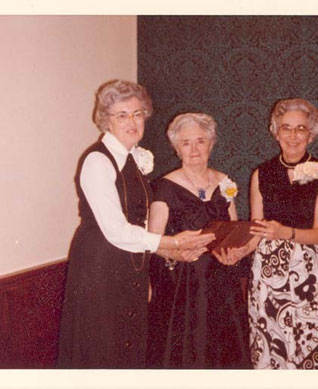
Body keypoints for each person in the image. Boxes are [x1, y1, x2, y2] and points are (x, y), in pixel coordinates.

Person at [56, 80, 214, 369]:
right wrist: (174, 242)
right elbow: (116, 230)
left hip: (130, 264)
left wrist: (168, 256)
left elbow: (138, 223)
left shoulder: (132, 159)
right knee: (103, 347)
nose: (132, 121)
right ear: (106, 120)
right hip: (100, 266)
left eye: (138, 113)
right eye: (122, 115)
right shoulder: (97, 161)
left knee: (127, 344)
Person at [147, 112, 252, 369]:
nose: (194, 149)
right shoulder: (164, 187)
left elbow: (233, 230)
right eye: (186, 143)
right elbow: (152, 242)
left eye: (200, 141)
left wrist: (235, 253)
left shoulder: (224, 182)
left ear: (211, 143)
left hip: (221, 283)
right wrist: (176, 252)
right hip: (181, 285)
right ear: (176, 147)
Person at [244, 98, 318, 369]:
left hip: (310, 273)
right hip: (268, 274)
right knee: (270, 345)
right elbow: (257, 229)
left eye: (300, 129)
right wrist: (240, 250)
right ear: (275, 132)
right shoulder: (261, 173)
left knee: (307, 348)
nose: (293, 135)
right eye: (286, 128)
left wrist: (285, 232)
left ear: (311, 134)